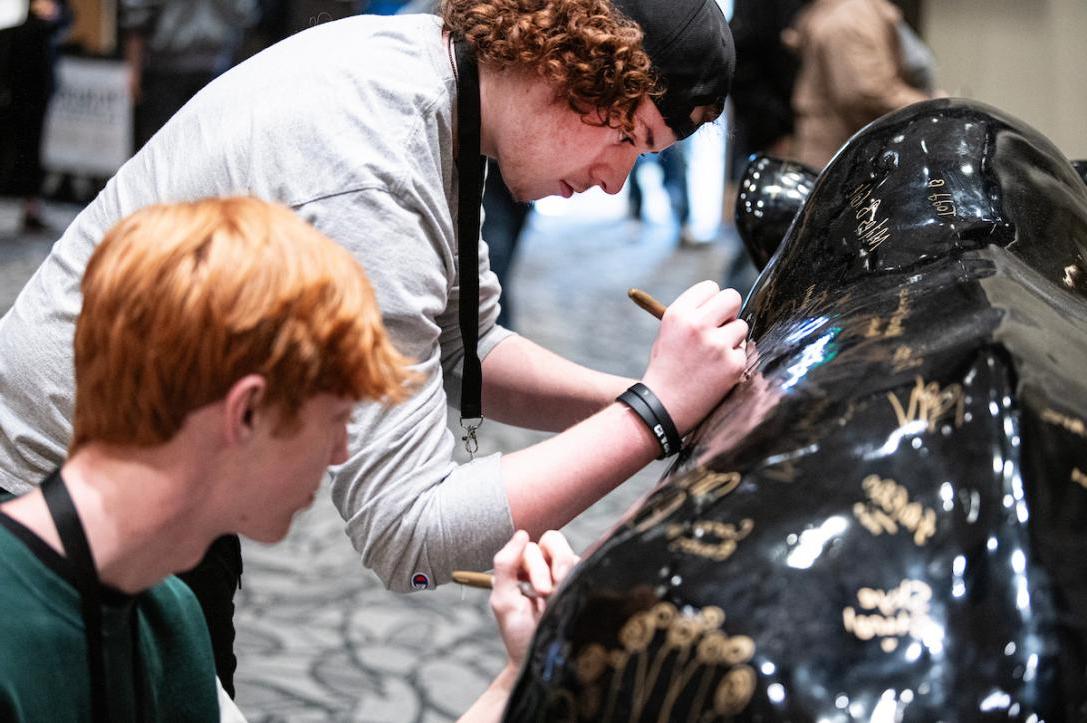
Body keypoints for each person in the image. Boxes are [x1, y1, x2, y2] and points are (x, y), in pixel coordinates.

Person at [0, 0, 745, 693]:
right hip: (56, 508)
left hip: (156, 481)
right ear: (571, 67)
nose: (616, 181)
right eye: (630, 137)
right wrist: (653, 415)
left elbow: (466, 344)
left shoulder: (428, 77)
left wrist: (645, 394)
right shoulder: (372, 163)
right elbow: (410, 535)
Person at [0, 197, 576, 721]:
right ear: (245, 412)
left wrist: (513, 680)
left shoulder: (162, 606)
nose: (342, 451)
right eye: (333, 421)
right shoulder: (42, 631)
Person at [785, 0, 932, 169]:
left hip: (838, 152)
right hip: (840, 156)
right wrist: (929, 106)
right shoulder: (853, 14)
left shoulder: (850, 8)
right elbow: (865, 93)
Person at [122, 0, 259, 148]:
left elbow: (136, 16)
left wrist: (133, 69)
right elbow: (246, 14)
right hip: (179, 69)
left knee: (171, 148)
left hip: (197, 67)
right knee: (203, 146)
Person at [0, 0, 71, 232]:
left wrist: (52, 15)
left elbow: (64, 20)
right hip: (11, 73)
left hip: (32, 83)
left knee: (30, 148)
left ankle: (31, 208)